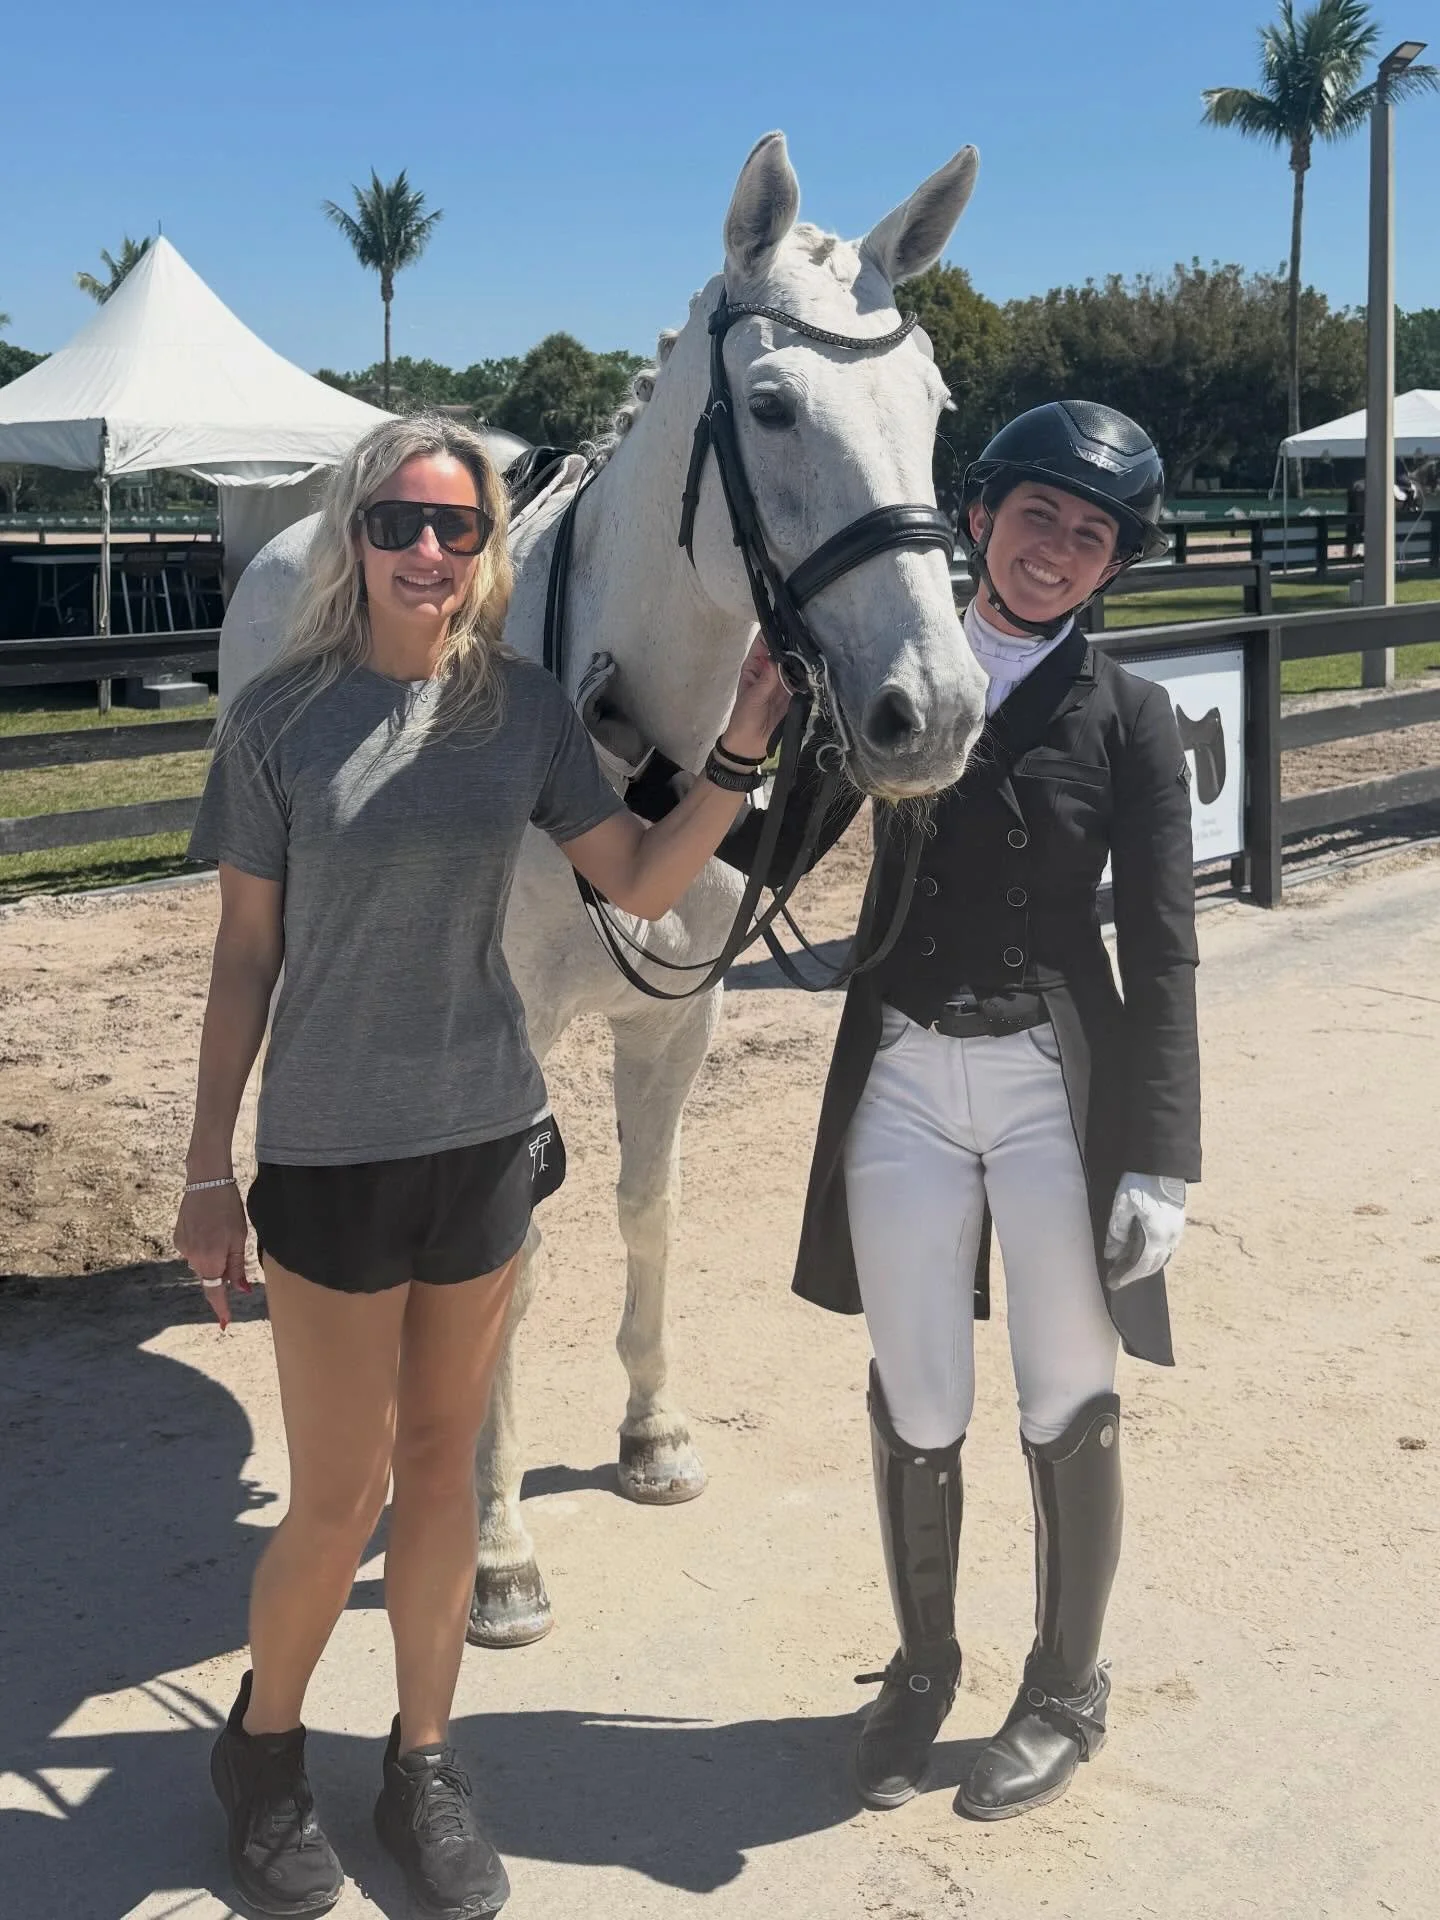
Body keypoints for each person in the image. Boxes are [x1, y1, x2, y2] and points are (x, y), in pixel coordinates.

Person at [174, 413, 790, 1919]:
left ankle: (423, 1761)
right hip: (326, 1155)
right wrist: (205, 1165)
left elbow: (643, 884)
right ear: (355, 536)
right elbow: (244, 954)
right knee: (341, 1494)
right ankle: (261, 1756)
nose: (428, 552)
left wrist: (738, 754)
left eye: (457, 527)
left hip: (484, 1147)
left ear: (488, 546)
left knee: (447, 1475)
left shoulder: (521, 715)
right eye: (399, 523)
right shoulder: (275, 723)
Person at [782, 400, 1201, 1820]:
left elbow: (1163, 946)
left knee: (1070, 1386)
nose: (1058, 550)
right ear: (980, 518)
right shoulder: (889, 673)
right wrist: (750, 737)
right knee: (919, 1386)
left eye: (1092, 537)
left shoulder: (1130, 718)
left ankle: (1069, 1685)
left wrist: (1163, 1152)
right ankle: (921, 1666)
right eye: (1039, 516)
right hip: (901, 1071)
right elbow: (780, 851)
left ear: (1110, 566)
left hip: (1048, 1088)